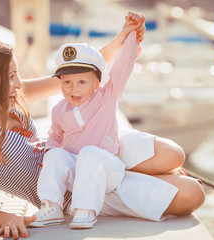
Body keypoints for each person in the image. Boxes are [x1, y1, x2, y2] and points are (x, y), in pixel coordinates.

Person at [0, 11, 205, 240]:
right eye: (10, 77)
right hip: (73, 189)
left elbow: (77, 71)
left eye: (16, 74)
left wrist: (122, 38)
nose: (18, 84)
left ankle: (148, 173)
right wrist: (5, 218)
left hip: (84, 148)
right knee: (193, 194)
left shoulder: (12, 98)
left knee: (173, 155)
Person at [32, 13, 141, 229]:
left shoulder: (107, 97)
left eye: (82, 81)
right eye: (67, 82)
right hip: (79, 171)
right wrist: (51, 155)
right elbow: (54, 137)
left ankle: (86, 209)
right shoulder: (59, 110)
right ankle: (51, 206)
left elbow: (122, 68)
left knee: (89, 153)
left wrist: (131, 36)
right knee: (54, 153)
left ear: (97, 83)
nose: (74, 89)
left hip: (107, 169)